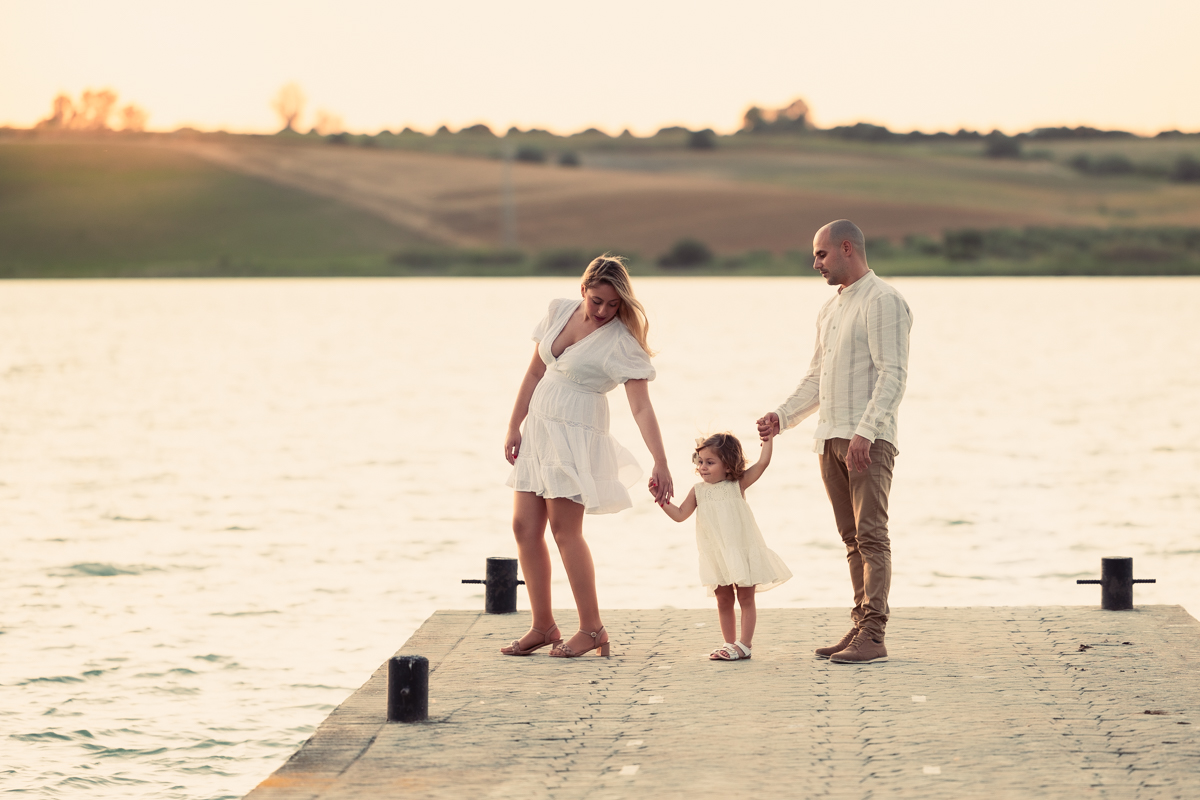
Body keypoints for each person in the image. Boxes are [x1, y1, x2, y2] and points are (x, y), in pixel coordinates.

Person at [757, 219, 912, 665]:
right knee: (850, 538)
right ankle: (861, 620)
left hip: (868, 440)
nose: (815, 263)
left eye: (821, 254)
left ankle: (875, 634)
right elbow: (817, 378)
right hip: (829, 438)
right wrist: (782, 417)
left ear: (847, 248)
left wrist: (866, 431)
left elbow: (893, 374)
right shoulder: (830, 308)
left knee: (871, 535)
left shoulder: (883, 300)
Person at [503, 255, 673, 658]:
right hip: (539, 431)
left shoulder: (621, 342)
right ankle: (543, 626)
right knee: (523, 528)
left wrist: (660, 461)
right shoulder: (559, 311)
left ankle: (592, 629)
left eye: (613, 305)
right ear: (583, 290)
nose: (603, 312)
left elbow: (642, 408)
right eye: (596, 301)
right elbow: (533, 373)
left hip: (576, 435)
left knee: (565, 532)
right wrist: (514, 425)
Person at [652, 431, 791, 661]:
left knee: (746, 598)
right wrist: (661, 499)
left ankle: (744, 645)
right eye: (700, 462)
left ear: (727, 465)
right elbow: (679, 515)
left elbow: (763, 462)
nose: (702, 467)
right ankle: (729, 643)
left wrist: (768, 439)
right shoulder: (698, 491)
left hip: (741, 550)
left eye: (710, 462)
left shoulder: (738, 484)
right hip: (716, 554)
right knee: (723, 599)